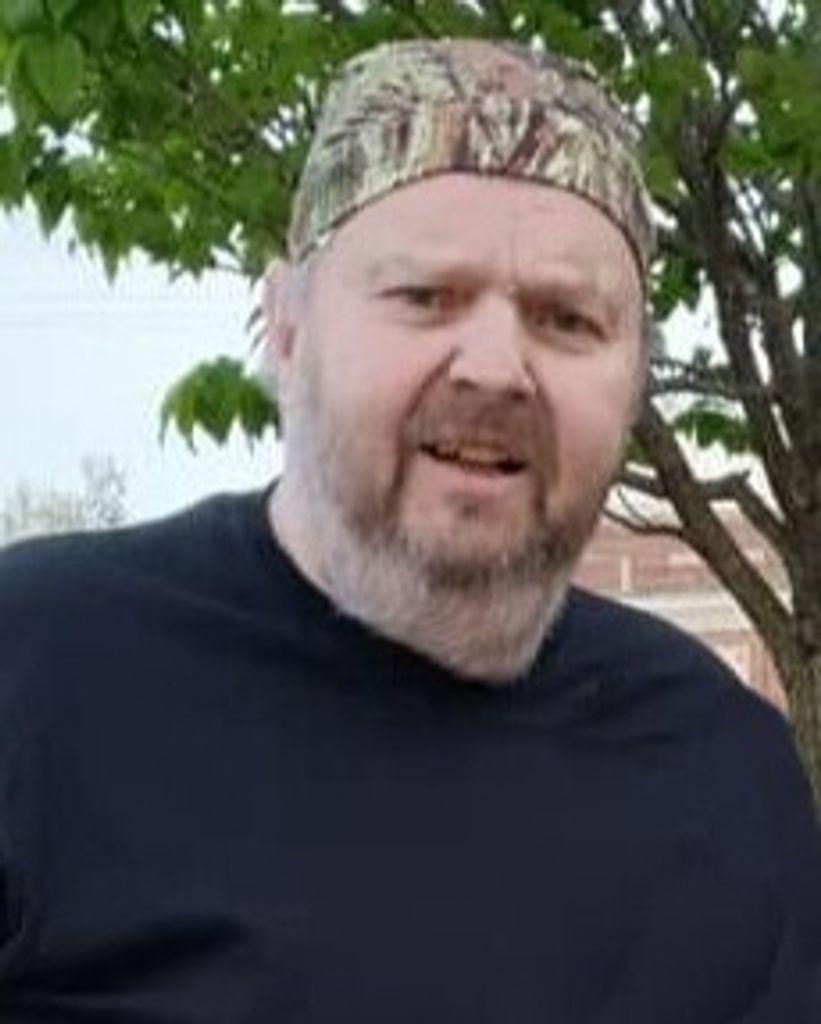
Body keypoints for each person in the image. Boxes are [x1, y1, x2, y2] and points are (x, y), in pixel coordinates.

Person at [0, 37, 819, 1024]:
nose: (495, 367)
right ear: (287, 329)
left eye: (566, 319)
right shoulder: (39, 672)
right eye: (424, 296)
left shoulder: (722, 767)